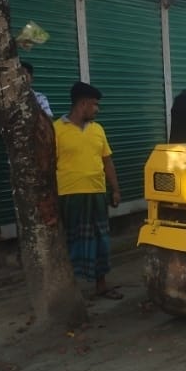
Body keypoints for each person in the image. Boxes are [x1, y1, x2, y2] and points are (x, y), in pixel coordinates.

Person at [54, 82, 123, 298]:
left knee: (101, 240)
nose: (97, 109)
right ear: (82, 104)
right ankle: (71, 291)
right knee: (73, 242)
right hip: (70, 195)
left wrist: (115, 190)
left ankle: (101, 285)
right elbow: (47, 165)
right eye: (94, 105)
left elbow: (107, 162)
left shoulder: (98, 130)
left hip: (97, 194)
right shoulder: (56, 130)